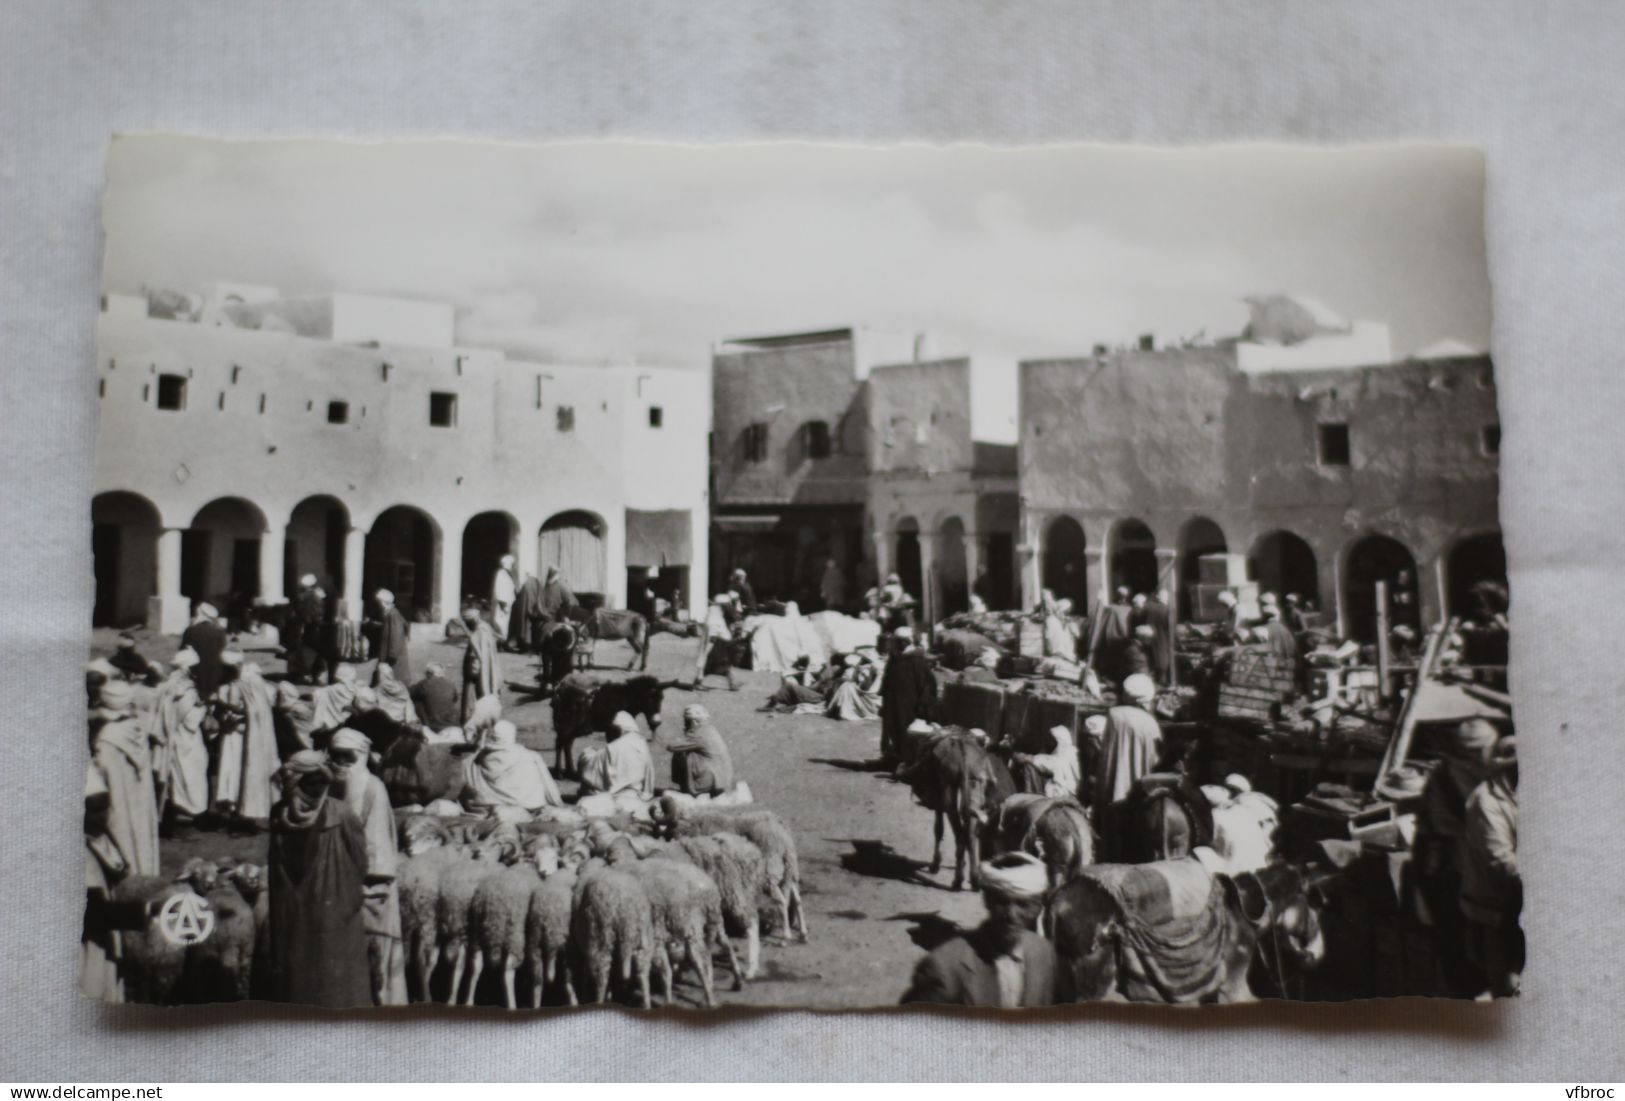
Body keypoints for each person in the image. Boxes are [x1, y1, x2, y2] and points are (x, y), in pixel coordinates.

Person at [266, 751, 372, 1008]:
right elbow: (275, 864)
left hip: (334, 908)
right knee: (297, 970)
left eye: (320, 782)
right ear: (295, 783)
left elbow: (360, 861)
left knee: (335, 975)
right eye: (309, 782)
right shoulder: (280, 815)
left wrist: (345, 895)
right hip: (292, 907)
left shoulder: (342, 815)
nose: (316, 788)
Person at [900, 852, 1063, 1007]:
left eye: (1023, 905)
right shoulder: (944, 967)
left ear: (1037, 908)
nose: (1011, 915)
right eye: (1002, 902)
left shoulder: (1047, 956)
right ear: (987, 900)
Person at [1416, 717, 1501, 996]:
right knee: (1472, 948)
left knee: (1461, 947)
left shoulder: (1445, 775)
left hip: (1455, 872)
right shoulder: (1476, 777)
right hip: (1460, 873)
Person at [328, 728, 407, 1005]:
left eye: (346, 757)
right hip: (339, 889)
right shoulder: (331, 787)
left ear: (360, 756)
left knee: (376, 966)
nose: (340, 763)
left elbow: (377, 851)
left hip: (369, 892)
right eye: (335, 757)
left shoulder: (373, 789)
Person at [1461, 736, 1521, 997]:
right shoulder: (1486, 802)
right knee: (1508, 987)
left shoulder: (1521, 795)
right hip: (1494, 911)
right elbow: (1501, 861)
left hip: (1519, 906)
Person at [211, 653, 279, 830]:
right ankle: (238, 811)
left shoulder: (246, 683)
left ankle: (245, 813)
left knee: (243, 773)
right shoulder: (241, 683)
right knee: (236, 774)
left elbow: (246, 709)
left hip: (246, 736)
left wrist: (229, 709)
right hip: (239, 736)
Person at [1095, 674, 1163, 829]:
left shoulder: (1115, 715)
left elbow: (1107, 751)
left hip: (1114, 782)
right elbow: (1155, 759)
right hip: (1140, 786)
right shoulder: (1151, 723)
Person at [152, 648, 209, 832]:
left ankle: (170, 820)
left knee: (174, 780)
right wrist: (204, 709)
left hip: (172, 738)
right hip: (186, 739)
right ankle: (187, 819)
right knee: (190, 777)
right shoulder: (187, 690)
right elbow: (190, 720)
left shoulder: (168, 684)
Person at [460, 719, 563, 813]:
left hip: (485, 807)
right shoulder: (530, 756)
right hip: (528, 807)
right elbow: (551, 791)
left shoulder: (473, 760)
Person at [879, 626, 936, 766]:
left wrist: (923, 708)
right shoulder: (894, 659)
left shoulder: (918, 661)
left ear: (908, 641)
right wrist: (884, 701)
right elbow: (887, 681)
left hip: (910, 706)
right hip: (892, 704)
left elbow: (927, 687)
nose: (897, 643)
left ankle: (909, 762)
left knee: (908, 733)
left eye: (900, 640)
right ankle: (897, 758)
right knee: (893, 730)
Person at [661, 704, 736, 798]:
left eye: (687, 722)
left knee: (680, 753)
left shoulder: (699, 734)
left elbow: (671, 746)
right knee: (687, 751)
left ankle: (688, 788)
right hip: (723, 780)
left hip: (711, 782)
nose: (685, 725)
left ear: (695, 722)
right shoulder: (709, 729)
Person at [577, 711, 655, 799]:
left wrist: (588, 753)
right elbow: (648, 778)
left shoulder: (613, 748)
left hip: (610, 797)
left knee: (587, 754)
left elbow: (590, 771)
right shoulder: (641, 744)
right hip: (633, 796)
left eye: (613, 730)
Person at [1011, 724, 1082, 799]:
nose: (1048, 742)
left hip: (1063, 792)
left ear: (1058, 740)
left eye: (1051, 740)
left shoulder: (1065, 755)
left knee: (1028, 767)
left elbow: (1045, 762)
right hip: (1068, 791)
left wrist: (1023, 757)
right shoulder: (1069, 751)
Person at [459, 605, 502, 723]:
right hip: (488, 668)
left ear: (473, 620)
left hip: (478, 675)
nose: (467, 625)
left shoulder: (478, 632)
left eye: (467, 623)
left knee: (476, 701)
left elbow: (476, 658)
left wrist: (470, 673)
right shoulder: (486, 628)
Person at [180, 602, 228, 700]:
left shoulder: (190, 630)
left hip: (196, 674)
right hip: (215, 674)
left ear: (200, 614)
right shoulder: (220, 633)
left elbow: (182, 652)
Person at [286, 574, 328, 684]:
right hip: (312, 628)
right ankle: (313, 674)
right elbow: (316, 614)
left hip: (308, 627)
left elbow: (304, 614)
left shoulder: (307, 597)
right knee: (313, 651)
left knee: (309, 651)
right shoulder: (316, 597)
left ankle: (309, 674)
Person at [695, 593, 741, 691]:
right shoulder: (717, 614)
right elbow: (731, 619)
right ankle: (698, 680)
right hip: (716, 631)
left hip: (714, 630)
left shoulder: (712, 611)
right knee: (708, 655)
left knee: (705, 655)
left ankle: (699, 679)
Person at [371, 589, 413, 688]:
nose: (378, 605)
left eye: (379, 602)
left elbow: (396, 636)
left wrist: (391, 656)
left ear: (383, 602)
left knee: (392, 681)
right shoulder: (390, 614)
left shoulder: (393, 615)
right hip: (389, 657)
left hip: (392, 659)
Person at [827, 652, 883, 721]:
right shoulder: (860, 668)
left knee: (847, 686)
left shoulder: (869, 668)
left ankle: (844, 710)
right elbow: (856, 681)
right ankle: (841, 709)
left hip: (869, 694)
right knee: (847, 685)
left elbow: (865, 685)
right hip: (863, 691)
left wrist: (857, 671)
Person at [410, 662, 461, 730]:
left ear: (429, 674)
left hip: (432, 725)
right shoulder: (451, 684)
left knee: (416, 700)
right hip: (453, 723)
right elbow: (455, 699)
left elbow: (410, 695)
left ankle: (423, 724)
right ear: (441, 673)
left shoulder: (423, 684)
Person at [312, 662, 360, 734]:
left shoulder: (329, 689)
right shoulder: (355, 689)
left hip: (328, 726)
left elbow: (316, 694)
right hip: (348, 723)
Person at [491, 553, 517, 640]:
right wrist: (503, 604)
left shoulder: (507, 574)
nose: (512, 566)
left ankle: (503, 641)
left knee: (505, 624)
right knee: (501, 624)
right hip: (503, 604)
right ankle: (500, 643)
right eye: (511, 564)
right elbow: (499, 591)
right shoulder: (501, 574)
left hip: (507, 604)